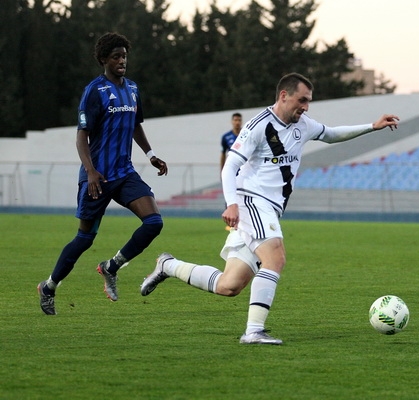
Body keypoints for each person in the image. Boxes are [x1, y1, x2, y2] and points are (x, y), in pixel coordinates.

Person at [140, 72, 399, 344]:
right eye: (302, 100)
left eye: (309, 101)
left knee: (229, 285)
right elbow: (230, 166)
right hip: (252, 201)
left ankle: (168, 265)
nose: (306, 107)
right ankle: (253, 331)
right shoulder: (258, 127)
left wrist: (373, 125)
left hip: (268, 209)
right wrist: (231, 204)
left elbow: (332, 134)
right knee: (275, 257)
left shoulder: (304, 125)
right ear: (283, 96)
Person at [37, 32, 168, 315]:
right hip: (97, 177)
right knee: (84, 239)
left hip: (124, 174)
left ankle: (112, 266)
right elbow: (81, 136)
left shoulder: (132, 88)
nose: (122, 61)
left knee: (154, 222)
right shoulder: (94, 91)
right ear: (103, 60)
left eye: (124, 56)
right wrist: (91, 172)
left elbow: (135, 125)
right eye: (116, 57)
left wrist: (151, 154)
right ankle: (49, 286)